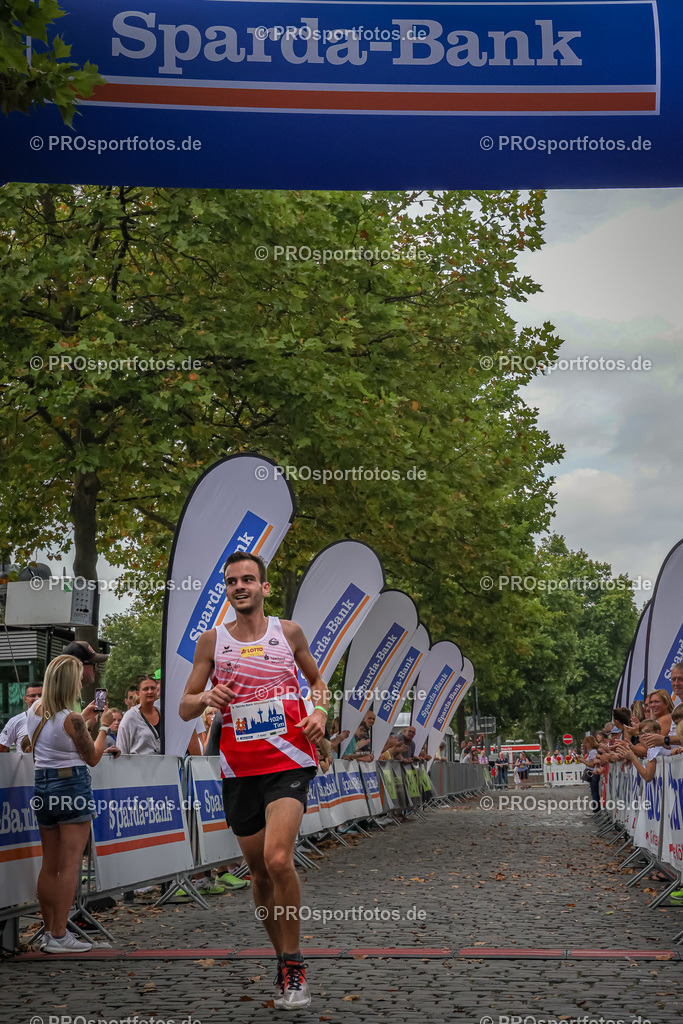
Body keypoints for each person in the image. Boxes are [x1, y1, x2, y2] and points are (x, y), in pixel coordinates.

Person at [179, 551, 328, 1011]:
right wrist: (207, 695)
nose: (239, 586)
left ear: (264, 588)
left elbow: (318, 682)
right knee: (259, 873)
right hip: (239, 770)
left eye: (248, 579)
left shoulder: (289, 633)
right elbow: (185, 707)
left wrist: (320, 711)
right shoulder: (212, 642)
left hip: (288, 761)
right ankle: (280, 956)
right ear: (227, 590)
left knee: (279, 859)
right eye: (231, 581)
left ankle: (296, 962)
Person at [26, 654, 113, 952]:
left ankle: (50, 931)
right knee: (71, 865)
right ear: (69, 683)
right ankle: (61, 934)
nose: (80, 682)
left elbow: (57, 737)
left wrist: (85, 718)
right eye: (77, 677)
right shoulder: (72, 719)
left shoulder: (36, 710)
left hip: (43, 786)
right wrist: (103, 727)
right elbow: (93, 757)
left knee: (49, 865)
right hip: (72, 786)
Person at [117, 677, 161, 754]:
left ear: (157, 690)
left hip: (165, 763)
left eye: (153, 688)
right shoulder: (130, 717)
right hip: (139, 764)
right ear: (138, 693)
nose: (150, 691)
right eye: (146, 689)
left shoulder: (163, 714)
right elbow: (122, 749)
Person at [0, 681, 43, 752]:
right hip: (25, 762)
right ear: (25, 699)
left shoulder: (54, 719)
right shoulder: (16, 721)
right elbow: (2, 748)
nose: (37, 698)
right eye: (32, 696)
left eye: (40, 695)